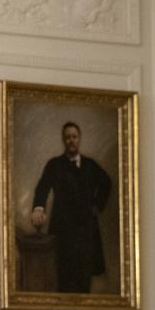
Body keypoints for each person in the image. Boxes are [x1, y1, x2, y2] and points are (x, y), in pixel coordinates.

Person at [29, 122, 111, 293]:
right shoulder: (55, 164)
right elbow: (43, 187)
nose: (71, 141)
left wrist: (97, 205)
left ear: (79, 139)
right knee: (64, 276)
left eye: (74, 137)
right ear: (63, 140)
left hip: (86, 232)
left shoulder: (90, 165)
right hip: (63, 230)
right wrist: (38, 207)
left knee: (84, 277)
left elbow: (106, 183)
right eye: (67, 137)